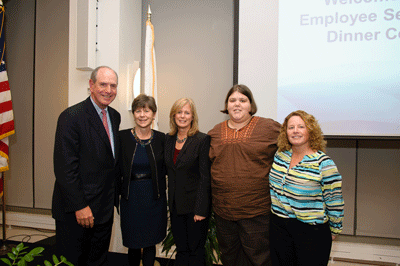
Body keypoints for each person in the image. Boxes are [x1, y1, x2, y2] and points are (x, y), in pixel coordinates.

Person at [52, 66, 120, 266]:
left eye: (113, 85)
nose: (108, 90)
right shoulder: (71, 117)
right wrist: (80, 206)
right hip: (77, 212)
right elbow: (65, 169)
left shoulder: (114, 116)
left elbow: (109, 162)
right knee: (73, 262)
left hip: (104, 210)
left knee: (97, 261)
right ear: (91, 85)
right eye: (103, 84)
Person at [208, 84, 281, 266]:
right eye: (232, 100)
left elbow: (295, 141)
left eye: (243, 100)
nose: (237, 104)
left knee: (261, 259)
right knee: (230, 258)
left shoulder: (269, 127)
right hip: (224, 212)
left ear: (251, 105)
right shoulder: (215, 132)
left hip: (256, 212)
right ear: (227, 105)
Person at [269, 110, 344, 266]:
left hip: (311, 233)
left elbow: (334, 201)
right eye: (291, 127)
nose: (295, 131)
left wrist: (335, 229)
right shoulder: (280, 156)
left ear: (311, 131)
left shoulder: (324, 163)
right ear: (285, 132)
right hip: (279, 228)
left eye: (301, 126)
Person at [119, 94, 167, 266]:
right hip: (131, 197)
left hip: (154, 197)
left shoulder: (162, 139)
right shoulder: (122, 138)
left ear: (154, 114)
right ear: (133, 114)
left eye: (147, 111)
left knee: (150, 241)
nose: (142, 115)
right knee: (133, 242)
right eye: (138, 111)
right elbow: (114, 169)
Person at [164, 98, 211, 266]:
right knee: (181, 250)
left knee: (195, 253)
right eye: (179, 112)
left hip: (195, 209)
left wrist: (201, 209)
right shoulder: (168, 139)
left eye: (187, 113)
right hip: (176, 206)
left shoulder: (202, 140)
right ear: (173, 115)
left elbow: (205, 177)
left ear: (193, 117)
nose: (182, 116)